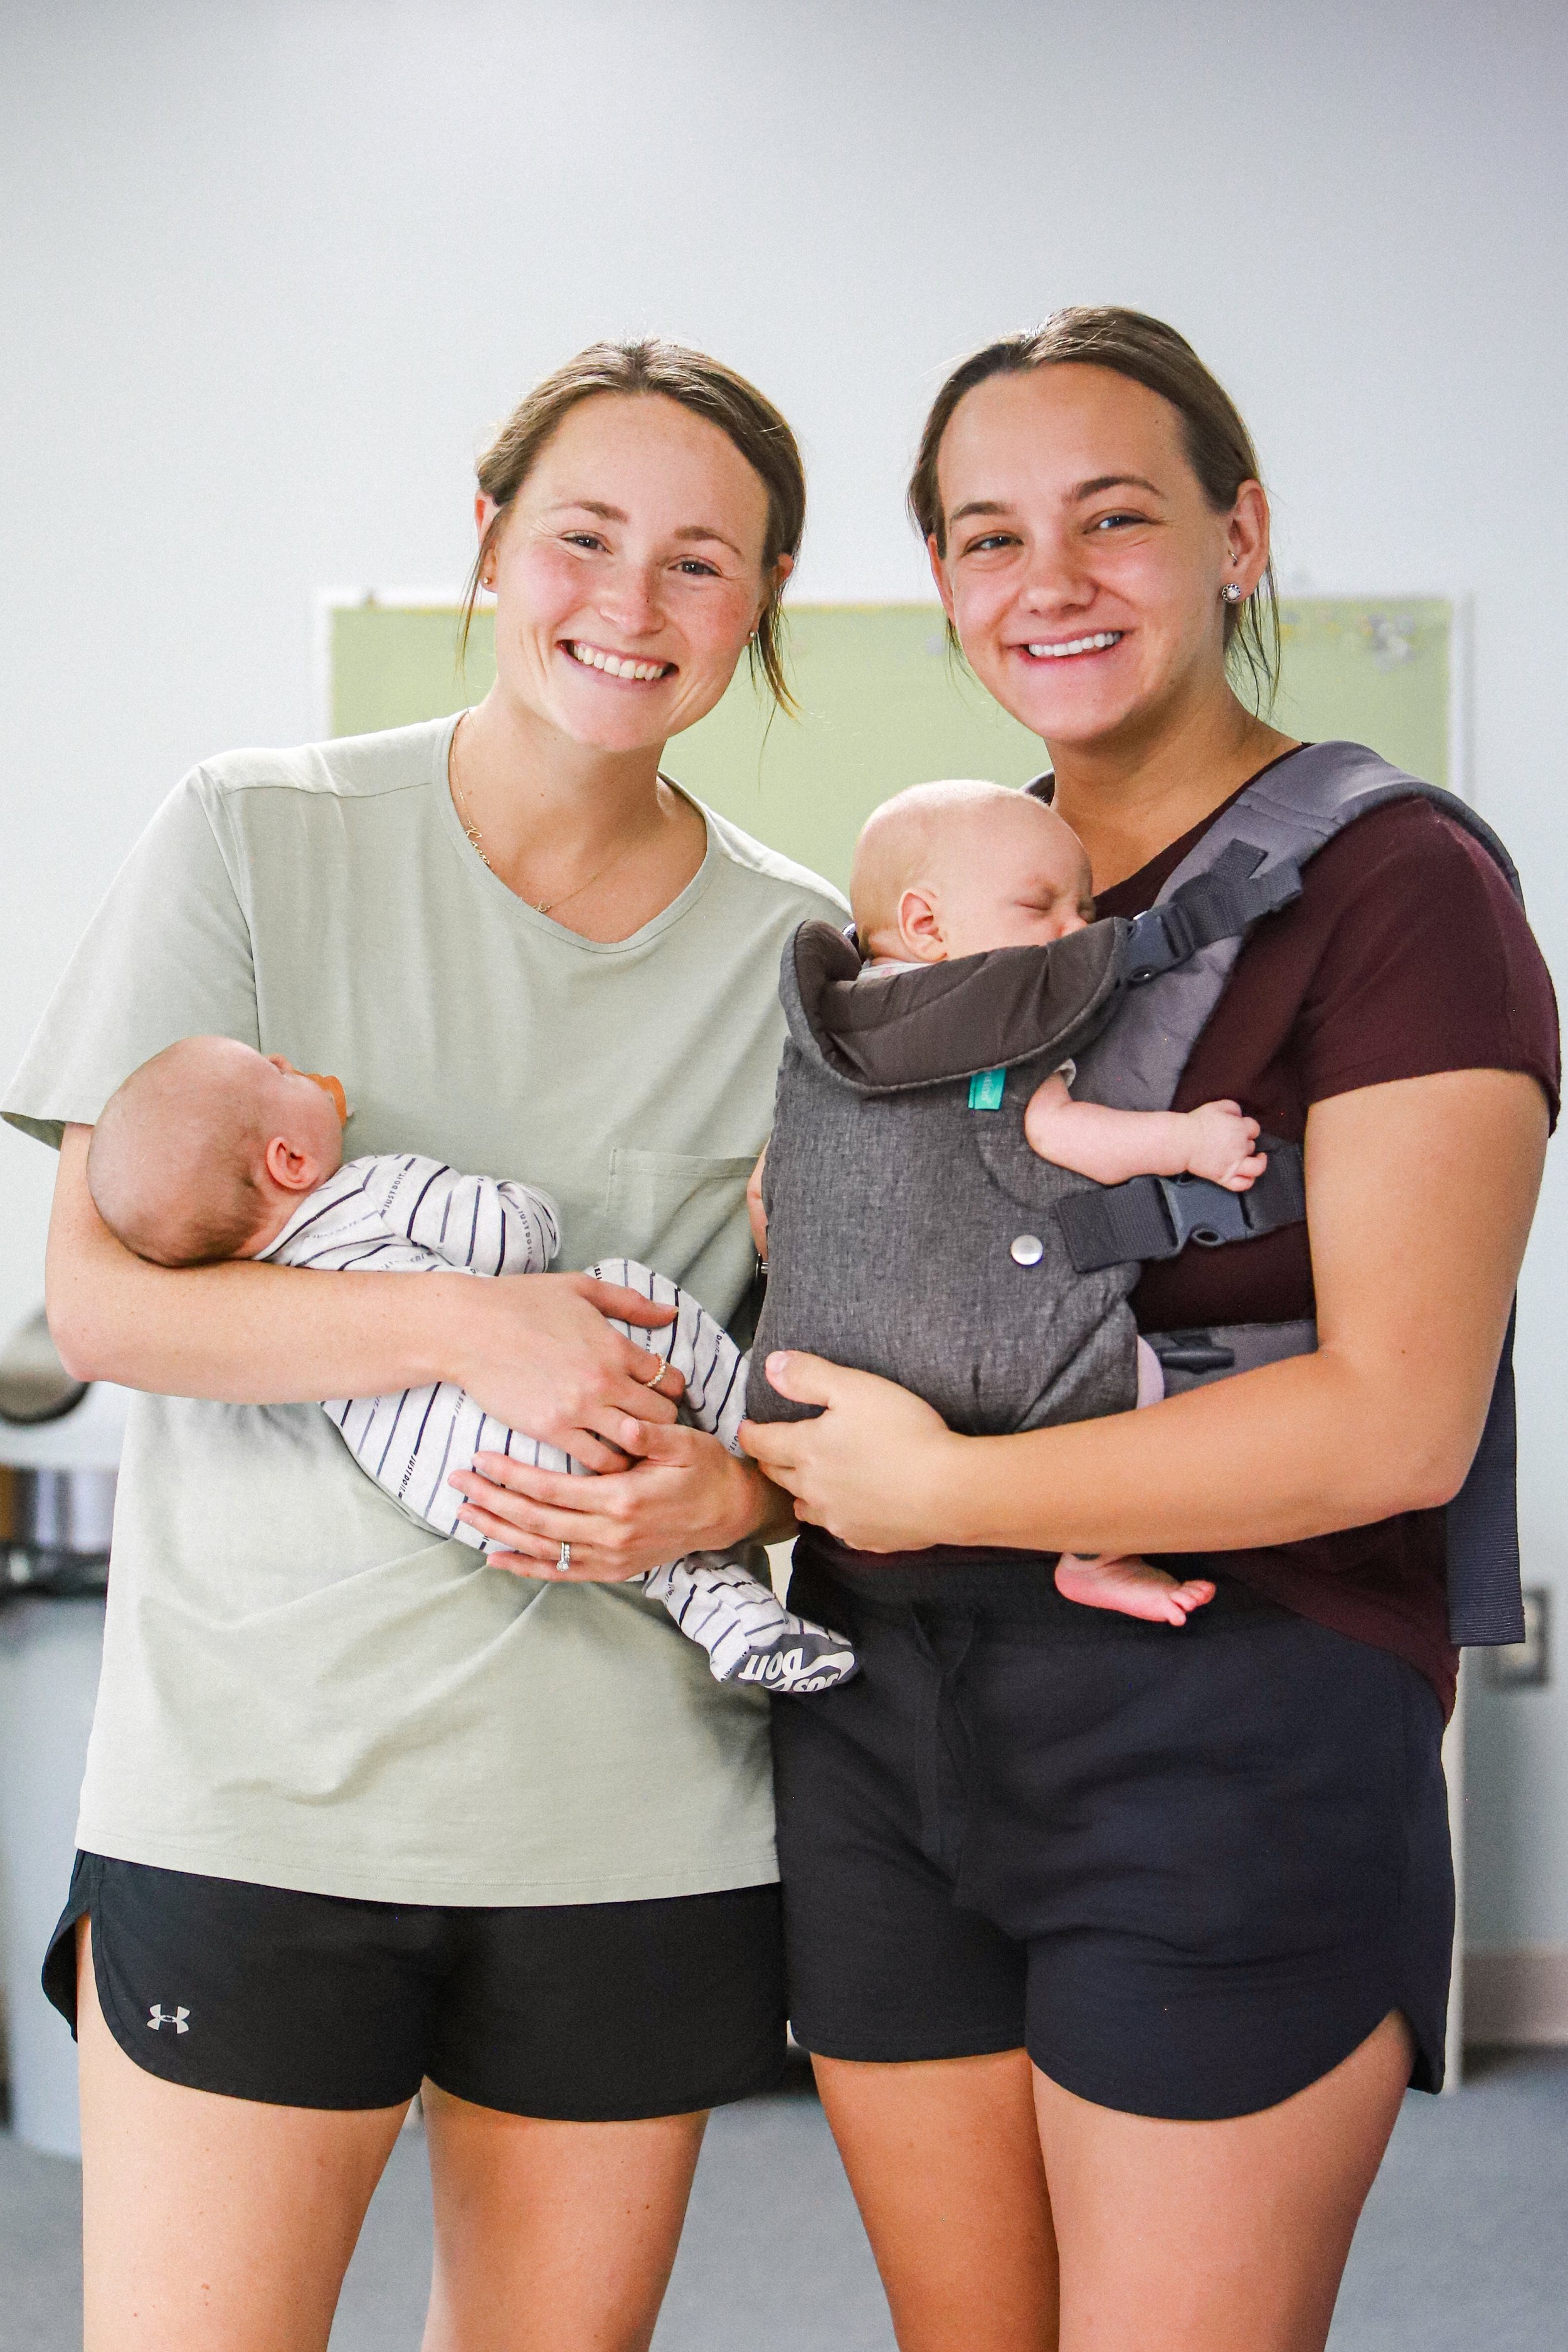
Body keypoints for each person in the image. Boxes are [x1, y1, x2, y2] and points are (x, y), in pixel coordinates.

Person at [3, 337, 846, 2352]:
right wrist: (463, 1319)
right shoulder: (248, 837)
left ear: (759, 606)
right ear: (486, 543)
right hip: (257, 1794)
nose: (626, 609)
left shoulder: (804, 955)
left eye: (699, 564)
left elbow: (819, 1390)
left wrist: (728, 1485)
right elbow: (105, 1302)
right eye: (580, 537)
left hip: (631, 1818)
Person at [742, 309, 1559, 2352]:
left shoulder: (1392, 893)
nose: (1052, 581)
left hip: (1230, 1714)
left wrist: (952, 1482)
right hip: (880, 1714)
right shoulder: (936, 909)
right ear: (940, 582)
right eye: (989, 535)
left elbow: (1394, 1423)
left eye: (1117, 518)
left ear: (1240, 536)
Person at [84, 1032, 857, 1689]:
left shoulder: (267, 1308)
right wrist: (517, 1200)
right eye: (277, 1074)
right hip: (537, 1419)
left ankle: (737, 1627)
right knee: (628, 1292)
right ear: (290, 1160)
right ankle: (743, 1422)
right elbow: (519, 1239)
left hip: (471, 1498)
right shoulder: (371, 1192)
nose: (291, 1062)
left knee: (651, 1551)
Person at [761, 774, 1261, 1625]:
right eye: (1043, 908)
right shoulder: (994, 1024)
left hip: (807, 1384)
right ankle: (1094, 1548)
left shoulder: (826, 1032)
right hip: (993, 1364)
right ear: (928, 925)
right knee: (1130, 1390)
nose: (1084, 931)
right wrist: (1190, 1143)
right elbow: (1068, 1136)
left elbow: (771, 1195)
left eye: (1088, 904)